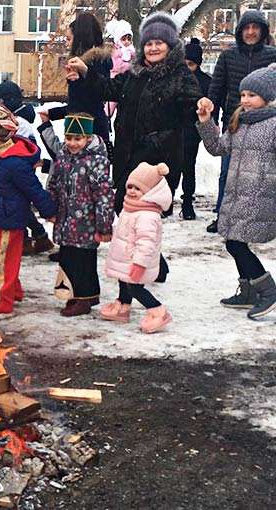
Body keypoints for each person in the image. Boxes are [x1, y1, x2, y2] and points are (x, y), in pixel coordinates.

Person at [65, 11, 201, 218]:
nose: (153, 48)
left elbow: (191, 110)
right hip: (128, 154)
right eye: (149, 43)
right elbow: (108, 89)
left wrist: (201, 107)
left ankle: (146, 251)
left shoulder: (180, 75)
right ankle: (144, 252)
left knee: (141, 214)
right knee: (128, 213)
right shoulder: (134, 73)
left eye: (159, 43)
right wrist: (86, 71)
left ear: (170, 46)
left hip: (156, 160)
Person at [197, 64, 276, 319]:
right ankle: (248, 290)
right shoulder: (239, 121)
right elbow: (217, 148)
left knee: (236, 243)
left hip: (259, 194)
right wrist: (206, 122)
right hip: (235, 192)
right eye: (243, 95)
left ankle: (268, 290)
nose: (245, 100)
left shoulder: (274, 124)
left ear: (268, 96)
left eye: (252, 95)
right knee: (233, 241)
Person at [0, 105, 56, 314]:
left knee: (0, 262)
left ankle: (0, 300)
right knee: (2, 259)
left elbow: (33, 189)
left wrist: (49, 210)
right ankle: (13, 291)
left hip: (7, 220)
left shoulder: (15, 163)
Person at [206, 10, 276, 233]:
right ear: (240, 31)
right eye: (247, 28)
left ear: (263, 31)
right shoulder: (228, 56)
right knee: (228, 173)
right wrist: (213, 117)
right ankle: (222, 215)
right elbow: (216, 89)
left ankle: (263, 219)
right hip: (234, 123)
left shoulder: (273, 55)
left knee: (262, 176)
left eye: (256, 27)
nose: (251, 32)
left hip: (266, 125)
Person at [46, 113, 114, 317]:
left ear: (88, 138)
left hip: (87, 222)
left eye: (78, 139)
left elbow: (104, 195)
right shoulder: (63, 158)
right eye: (69, 138)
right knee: (68, 259)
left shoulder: (97, 161)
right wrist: (50, 208)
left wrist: (104, 226)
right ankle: (76, 294)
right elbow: (54, 184)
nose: (73, 143)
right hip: (66, 220)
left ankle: (84, 299)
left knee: (83, 260)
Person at [101, 162, 173, 333]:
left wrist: (140, 264)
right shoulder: (132, 208)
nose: (132, 191)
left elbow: (146, 243)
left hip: (137, 262)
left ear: (151, 193)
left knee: (134, 287)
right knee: (123, 280)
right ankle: (123, 306)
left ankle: (158, 311)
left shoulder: (147, 215)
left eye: (138, 189)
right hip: (127, 259)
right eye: (130, 186)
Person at [0, 80, 53, 255]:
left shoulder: (19, 123)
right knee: (18, 204)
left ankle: (29, 238)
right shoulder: (14, 119)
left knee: (17, 205)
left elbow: (22, 147)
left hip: (17, 169)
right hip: (14, 168)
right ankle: (39, 236)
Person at [49, 12, 112, 142]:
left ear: (79, 38)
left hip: (88, 133)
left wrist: (83, 76)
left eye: (69, 39)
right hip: (82, 130)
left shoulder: (94, 63)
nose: (67, 44)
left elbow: (86, 104)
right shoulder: (92, 61)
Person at [170, 37, 211, 221]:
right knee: (169, 167)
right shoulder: (174, 78)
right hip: (173, 129)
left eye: (191, 64)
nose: (187, 67)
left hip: (192, 130)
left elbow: (211, 107)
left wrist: (205, 126)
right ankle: (166, 201)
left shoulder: (205, 82)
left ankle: (187, 202)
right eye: (184, 63)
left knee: (188, 167)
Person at [104, 18, 135, 119]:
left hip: (128, 84)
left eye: (128, 39)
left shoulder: (132, 51)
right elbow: (114, 66)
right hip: (115, 79)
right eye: (123, 39)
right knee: (111, 105)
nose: (126, 42)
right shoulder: (116, 51)